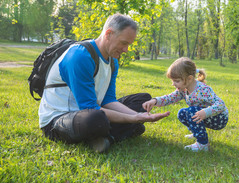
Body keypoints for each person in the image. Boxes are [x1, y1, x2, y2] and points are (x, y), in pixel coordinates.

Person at [39, 13, 170, 153]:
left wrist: (138, 115)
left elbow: (108, 99)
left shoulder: (113, 61)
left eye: (129, 45)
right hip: (59, 120)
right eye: (124, 43)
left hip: (92, 110)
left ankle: (106, 138)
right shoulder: (80, 56)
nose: (126, 50)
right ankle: (115, 132)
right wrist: (134, 118)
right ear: (108, 34)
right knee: (96, 119)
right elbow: (89, 107)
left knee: (142, 101)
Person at [142, 57, 229, 152]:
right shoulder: (183, 89)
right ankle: (197, 132)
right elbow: (170, 98)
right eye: (172, 81)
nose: (173, 84)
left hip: (219, 117)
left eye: (177, 81)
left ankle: (203, 144)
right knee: (182, 113)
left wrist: (206, 112)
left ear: (190, 78)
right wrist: (154, 101)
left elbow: (221, 104)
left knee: (191, 111)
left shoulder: (203, 89)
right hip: (203, 115)